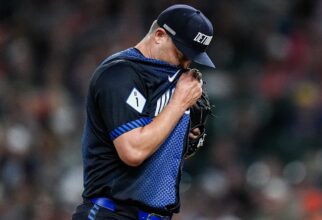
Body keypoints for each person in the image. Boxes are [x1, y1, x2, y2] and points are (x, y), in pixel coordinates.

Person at [72, 4, 215, 220]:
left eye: (191, 58)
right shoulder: (119, 74)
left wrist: (185, 137)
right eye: (181, 53)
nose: (186, 64)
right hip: (111, 213)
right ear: (159, 36)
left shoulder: (171, 80)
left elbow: (160, 156)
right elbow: (133, 152)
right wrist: (178, 103)